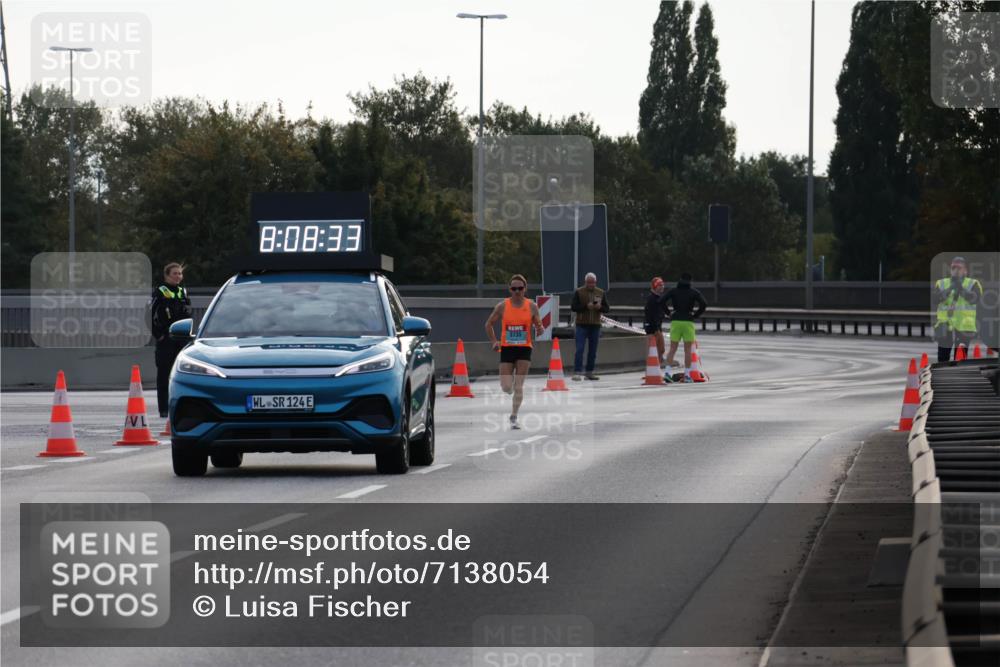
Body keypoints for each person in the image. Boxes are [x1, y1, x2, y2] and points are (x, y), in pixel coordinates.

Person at [484, 274, 544, 430]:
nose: (517, 291)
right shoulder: (502, 306)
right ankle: (509, 391)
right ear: (510, 289)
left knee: (519, 385)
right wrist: (494, 341)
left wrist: (540, 328)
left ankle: (514, 416)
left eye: (520, 288)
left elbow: (538, 323)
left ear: (525, 289)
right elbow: (488, 324)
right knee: (506, 386)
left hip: (524, 348)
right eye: (514, 288)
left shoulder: (531, 306)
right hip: (507, 348)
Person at [151, 262, 192, 418]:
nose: (178, 276)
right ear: (167, 275)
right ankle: (164, 409)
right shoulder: (160, 292)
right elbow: (148, 316)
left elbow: (189, 315)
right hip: (166, 340)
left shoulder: (183, 292)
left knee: (182, 375)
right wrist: (159, 335)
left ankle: (181, 408)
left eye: (180, 274)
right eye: (175, 273)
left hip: (181, 340)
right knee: (164, 375)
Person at [933, 256, 984, 362]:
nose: (956, 270)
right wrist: (951, 287)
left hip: (964, 326)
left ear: (965, 270)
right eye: (953, 268)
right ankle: (943, 377)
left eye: (959, 268)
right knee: (942, 358)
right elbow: (935, 299)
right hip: (945, 325)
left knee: (960, 359)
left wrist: (960, 288)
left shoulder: (973, 283)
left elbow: (974, 299)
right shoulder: (941, 283)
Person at [661, 273, 707, 382]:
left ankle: (667, 373)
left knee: (672, 349)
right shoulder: (694, 292)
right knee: (688, 350)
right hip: (688, 321)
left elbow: (661, 301)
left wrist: (668, 313)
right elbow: (704, 304)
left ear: (680, 280)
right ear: (690, 281)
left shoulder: (673, 290)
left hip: (676, 320)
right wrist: (695, 315)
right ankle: (686, 375)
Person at [570, 272, 610, 381]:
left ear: (595, 282)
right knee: (580, 349)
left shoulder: (601, 292)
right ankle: (577, 372)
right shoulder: (579, 292)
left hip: (595, 325)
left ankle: (589, 372)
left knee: (593, 351)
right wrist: (586, 306)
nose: (591, 285)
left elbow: (607, 308)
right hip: (581, 325)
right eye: (589, 283)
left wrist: (599, 307)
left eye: (593, 283)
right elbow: (573, 307)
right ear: (585, 282)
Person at [643, 276, 668, 371]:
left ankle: (658, 367)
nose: (662, 287)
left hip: (658, 327)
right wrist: (655, 328)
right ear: (655, 286)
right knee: (652, 350)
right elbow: (650, 315)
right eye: (659, 285)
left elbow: (664, 311)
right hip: (652, 328)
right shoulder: (651, 299)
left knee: (661, 349)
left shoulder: (660, 298)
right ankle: (651, 369)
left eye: (663, 285)